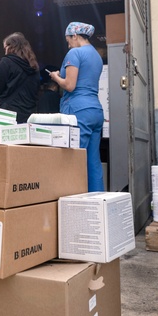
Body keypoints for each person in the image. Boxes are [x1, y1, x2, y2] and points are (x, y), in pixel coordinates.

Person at [49, 23, 105, 191]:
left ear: (75, 36)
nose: (68, 45)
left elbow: (70, 85)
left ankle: (73, 202)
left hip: (77, 110)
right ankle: (97, 201)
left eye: (68, 40)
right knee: (93, 160)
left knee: (73, 158)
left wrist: (55, 77)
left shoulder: (75, 53)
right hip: (95, 110)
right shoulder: (96, 56)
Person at [0, 32, 40, 123]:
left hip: (8, 113)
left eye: (5, 47)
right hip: (29, 114)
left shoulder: (6, 61)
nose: (5, 51)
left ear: (10, 47)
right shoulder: (34, 66)